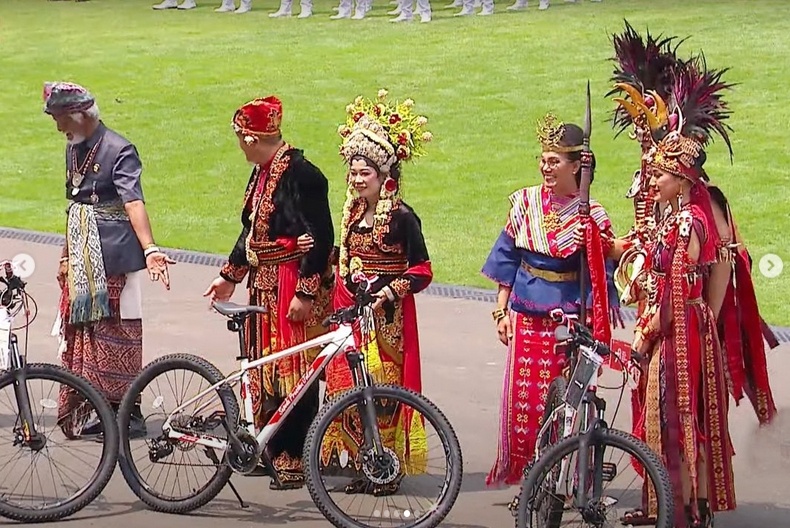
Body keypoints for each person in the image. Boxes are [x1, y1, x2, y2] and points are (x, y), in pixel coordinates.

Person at [303, 89, 434, 496]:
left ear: (385, 175)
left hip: (388, 323)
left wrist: (390, 292)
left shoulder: (402, 217)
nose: (358, 180)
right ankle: (365, 462)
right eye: (354, 173)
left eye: (366, 174)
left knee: (382, 393)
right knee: (348, 389)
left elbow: (423, 270)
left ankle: (387, 467)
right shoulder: (354, 212)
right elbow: (345, 260)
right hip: (354, 317)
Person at [202, 95, 334, 490]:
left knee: (293, 369)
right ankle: (266, 447)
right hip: (263, 285)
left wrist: (306, 294)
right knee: (263, 367)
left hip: (291, 283)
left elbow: (322, 237)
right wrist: (231, 274)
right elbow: (252, 231)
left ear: (250, 137)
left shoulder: (303, 175)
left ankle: (294, 456)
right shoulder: (262, 171)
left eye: (240, 139)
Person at [481, 112, 620, 487]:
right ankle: (527, 477)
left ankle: (569, 478)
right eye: (542, 160)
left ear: (578, 166)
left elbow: (601, 276)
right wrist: (500, 310)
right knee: (524, 404)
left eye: (554, 161)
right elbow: (507, 259)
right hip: (527, 318)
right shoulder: (525, 204)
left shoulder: (594, 215)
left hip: (572, 322)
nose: (545, 167)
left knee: (570, 403)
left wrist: (594, 324)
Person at [44, 81, 174, 439]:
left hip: (114, 256)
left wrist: (150, 249)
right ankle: (97, 406)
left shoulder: (120, 149)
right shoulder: (74, 145)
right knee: (88, 333)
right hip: (83, 253)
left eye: (60, 119)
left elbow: (133, 202)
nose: (57, 127)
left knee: (118, 331)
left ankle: (128, 413)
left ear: (81, 116)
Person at [631, 89, 737, 528]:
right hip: (678, 325)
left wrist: (647, 331)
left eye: (661, 174)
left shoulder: (691, 220)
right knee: (664, 412)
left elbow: (680, 287)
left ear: (684, 179)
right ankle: (666, 504)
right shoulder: (675, 218)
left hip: (680, 331)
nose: (652, 180)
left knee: (678, 416)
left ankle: (686, 510)